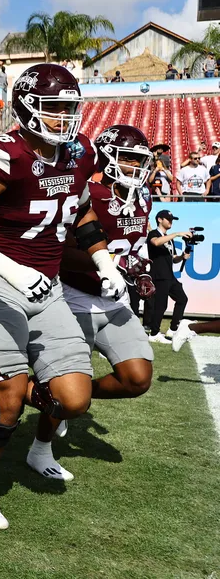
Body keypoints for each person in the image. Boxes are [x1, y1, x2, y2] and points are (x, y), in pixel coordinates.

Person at [0, 63, 121, 529]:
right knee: (10, 397)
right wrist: (9, 266)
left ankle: (18, 424)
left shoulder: (78, 154)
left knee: (75, 399)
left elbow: (79, 209)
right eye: (54, 108)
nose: (64, 117)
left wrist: (102, 259)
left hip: (49, 287)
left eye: (69, 108)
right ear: (25, 107)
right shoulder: (7, 154)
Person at [60, 125, 156, 412]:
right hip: (76, 296)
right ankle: (43, 435)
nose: (135, 166)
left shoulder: (143, 196)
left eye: (139, 160)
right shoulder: (89, 193)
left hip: (116, 301)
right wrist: (112, 263)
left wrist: (142, 272)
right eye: (128, 158)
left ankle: (68, 394)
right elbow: (62, 254)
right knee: (66, 383)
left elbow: (137, 244)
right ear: (107, 156)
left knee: (137, 379)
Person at [146, 210, 190, 343]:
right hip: (159, 275)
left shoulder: (168, 240)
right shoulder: (154, 234)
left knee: (182, 298)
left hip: (169, 275)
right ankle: (154, 334)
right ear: (159, 219)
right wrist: (176, 234)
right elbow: (156, 242)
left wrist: (182, 257)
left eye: (172, 219)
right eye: (168, 219)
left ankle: (173, 328)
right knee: (161, 305)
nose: (170, 221)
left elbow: (173, 259)